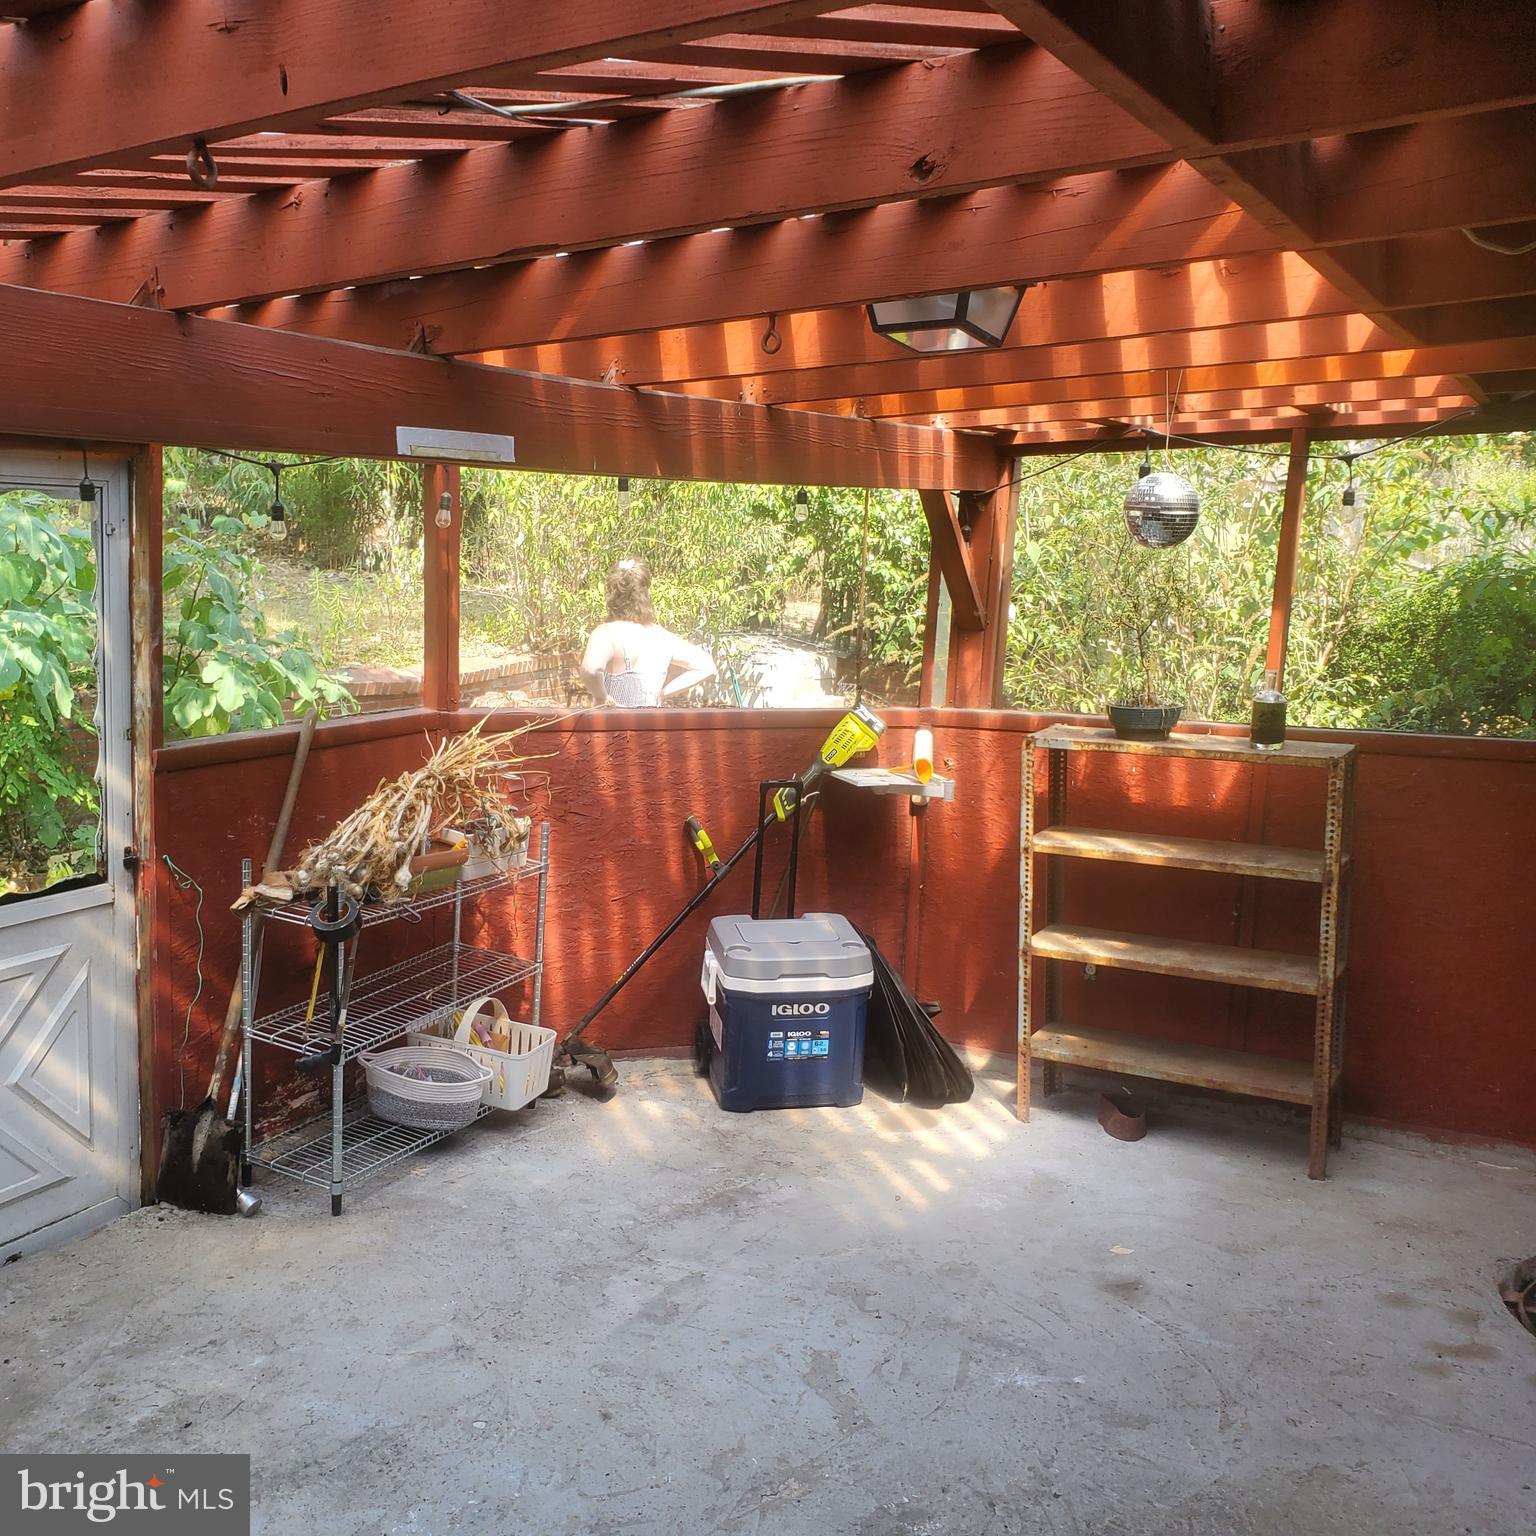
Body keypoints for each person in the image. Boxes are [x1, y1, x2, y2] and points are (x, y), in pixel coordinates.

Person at [581, 557, 717, 707]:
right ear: (645, 593)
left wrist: (601, 697)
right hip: (650, 726)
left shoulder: (605, 633)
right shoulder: (661, 636)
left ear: (612, 595)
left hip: (613, 727)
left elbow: (590, 669)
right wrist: (663, 693)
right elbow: (706, 665)